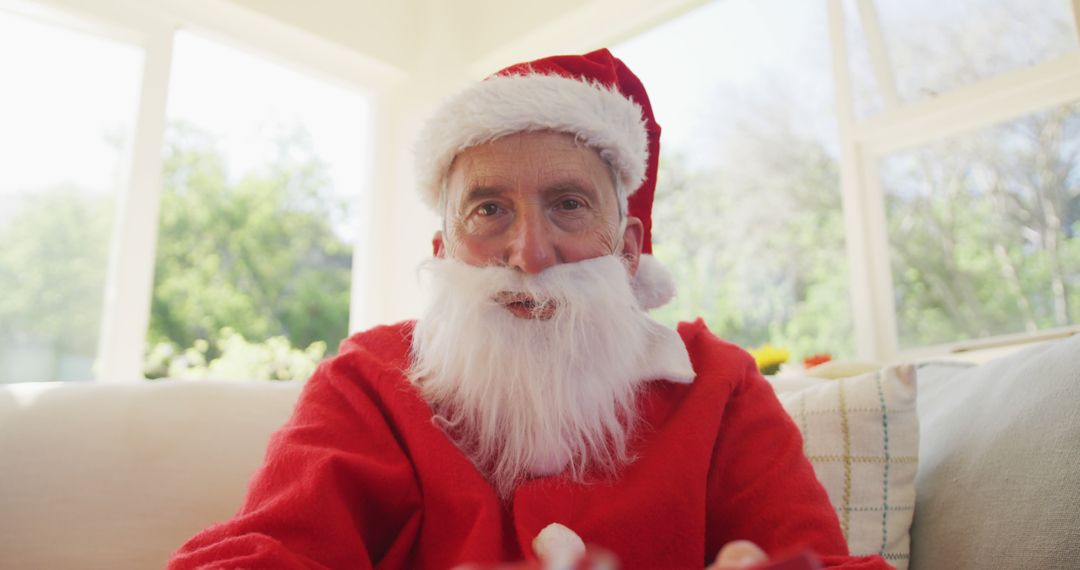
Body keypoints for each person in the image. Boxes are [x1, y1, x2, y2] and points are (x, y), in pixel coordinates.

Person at [168, 49, 890, 570]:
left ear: (629, 247)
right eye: (488, 210)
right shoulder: (364, 382)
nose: (530, 254)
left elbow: (824, 561)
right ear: (443, 247)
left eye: (569, 205)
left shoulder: (719, 386)